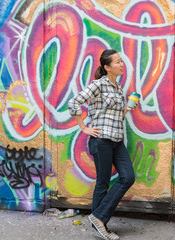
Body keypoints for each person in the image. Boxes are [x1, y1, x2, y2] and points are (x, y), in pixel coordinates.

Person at [68, 49, 135, 240]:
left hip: (116, 139)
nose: (122, 64)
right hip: (101, 140)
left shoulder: (118, 88)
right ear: (107, 67)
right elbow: (74, 102)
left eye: (122, 61)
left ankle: (97, 218)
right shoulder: (98, 85)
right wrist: (84, 127)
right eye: (117, 62)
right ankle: (101, 225)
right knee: (103, 183)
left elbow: (113, 116)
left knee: (128, 177)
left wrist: (127, 109)